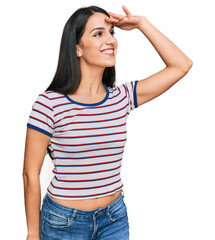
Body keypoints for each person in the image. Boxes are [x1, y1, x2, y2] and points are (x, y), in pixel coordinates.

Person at [22, 4, 192, 240]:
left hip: (114, 218)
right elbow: (31, 174)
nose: (110, 40)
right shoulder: (49, 104)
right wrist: (32, 233)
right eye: (98, 33)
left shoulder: (121, 98)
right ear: (78, 49)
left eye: (112, 32)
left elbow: (181, 65)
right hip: (63, 222)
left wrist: (142, 24)